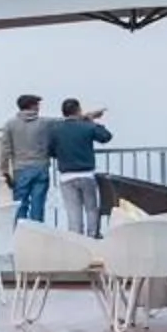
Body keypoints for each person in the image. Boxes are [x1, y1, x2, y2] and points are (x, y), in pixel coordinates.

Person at [46, 99, 112, 236]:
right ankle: (92, 236)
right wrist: (90, 120)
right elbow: (106, 137)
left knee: (73, 211)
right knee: (91, 209)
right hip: (86, 174)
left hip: (66, 176)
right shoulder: (86, 126)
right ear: (78, 110)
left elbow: (50, 151)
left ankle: (76, 240)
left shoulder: (56, 129)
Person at [0, 94, 52, 224]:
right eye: (37, 105)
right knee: (38, 204)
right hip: (41, 167)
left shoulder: (10, 125)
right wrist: (86, 117)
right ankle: (37, 234)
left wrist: (5, 171)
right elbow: (65, 121)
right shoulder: (44, 123)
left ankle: (21, 234)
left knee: (20, 204)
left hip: (20, 169)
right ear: (32, 106)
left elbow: (5, 150)